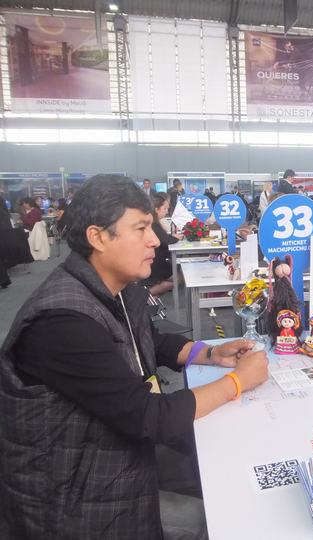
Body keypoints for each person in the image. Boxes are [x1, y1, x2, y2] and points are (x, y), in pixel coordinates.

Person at [0, 175, 269, 540]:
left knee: (220, 463)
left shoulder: (114, 289)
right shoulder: (62, 321)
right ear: (98, 237)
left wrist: (210, 353)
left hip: (107, 449)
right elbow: (147, 417)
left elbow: (149, 342)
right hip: (73, 498)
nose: (155, 240)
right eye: (141, 228)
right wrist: (238, 381)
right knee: (218, 514)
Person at [145, 192, 184, 296]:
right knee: (182, 276)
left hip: (156, 262)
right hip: (156, 265)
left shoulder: (154, 223)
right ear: (156, 209)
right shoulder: (154, 225)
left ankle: (152, 297)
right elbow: (167, 241)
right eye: (165, 208)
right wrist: (176, 238)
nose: (167, 211)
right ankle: (146, 296)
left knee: (179, 275)